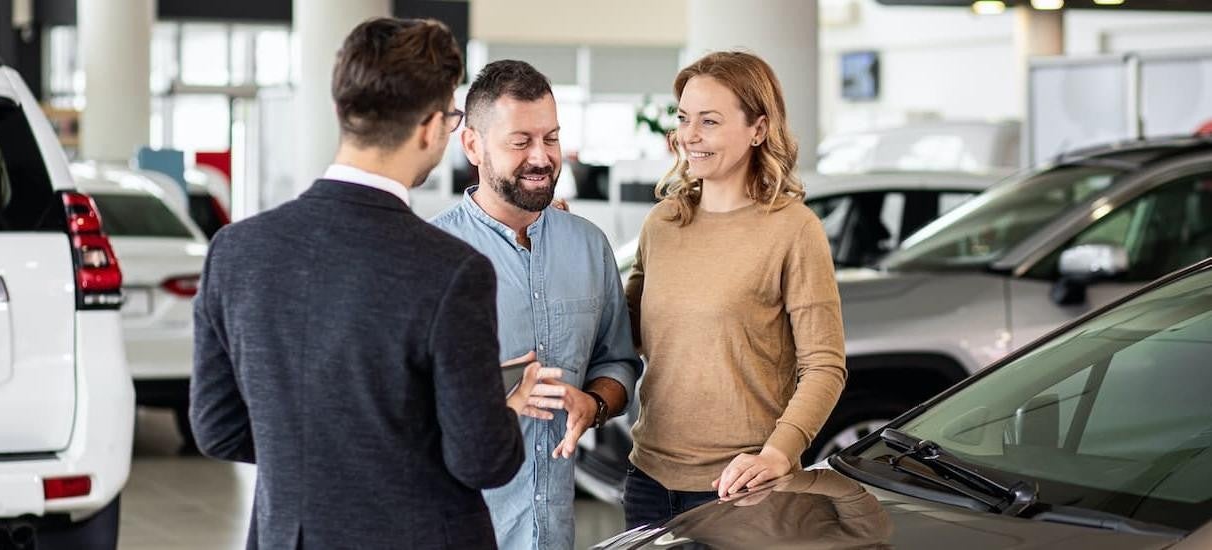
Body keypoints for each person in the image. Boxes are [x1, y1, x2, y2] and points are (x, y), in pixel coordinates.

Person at [189, 18, 563, 549]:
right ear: (433, 127)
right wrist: (504, 403)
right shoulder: (450, 270)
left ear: (344, 111)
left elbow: (218, 427)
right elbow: (483, 459)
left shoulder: (236, 251)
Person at [622, 51, 847, 528]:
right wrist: (552, 243)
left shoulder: (794, 230)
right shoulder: (663, 222)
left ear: (758, 129)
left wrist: (777, 455)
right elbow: (625, 333)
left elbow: (824, 366)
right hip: (648, 483)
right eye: (684, 118)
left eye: (709, 121)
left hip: (745, 492)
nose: (689, 135)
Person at [431, 59, 643, 550]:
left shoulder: (589, 246)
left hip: (554, 534)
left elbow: (617, 362)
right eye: (520, 141)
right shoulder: (432, 256)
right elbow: (396, 409)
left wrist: (592, 403)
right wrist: (493, 403)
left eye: (550, 138)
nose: (542, 157)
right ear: (472, 145)